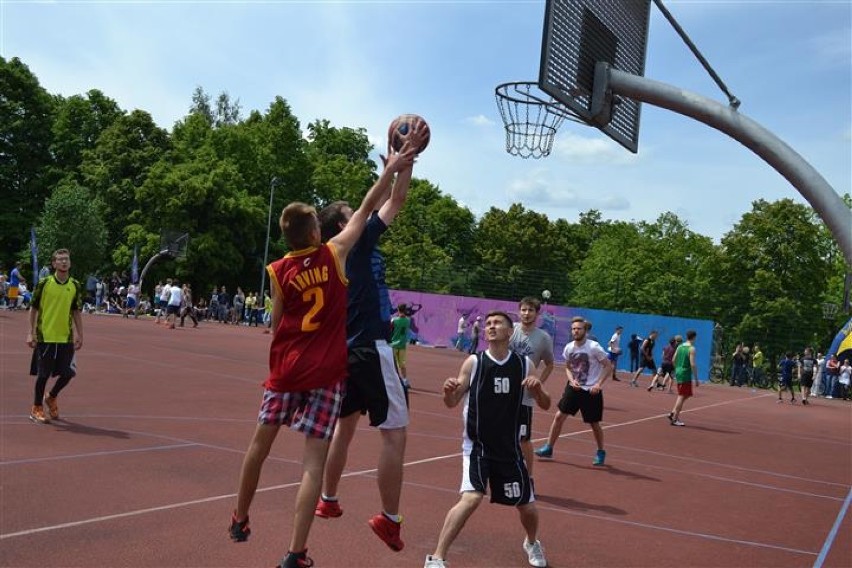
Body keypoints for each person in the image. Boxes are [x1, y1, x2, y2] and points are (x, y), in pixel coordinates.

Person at [229, 142, 418, 568]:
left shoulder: (279, 270)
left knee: (284, 441)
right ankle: (318, 543)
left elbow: (275, 325)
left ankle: (248, 515)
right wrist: (394, 166)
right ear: (324, 230)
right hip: (344, 360)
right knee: (362, 443)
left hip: (290, 369)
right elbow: (384, 201)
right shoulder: (341, 250)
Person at [314, 123, 427, 553]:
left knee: (344, 429)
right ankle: (390, 518)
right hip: (372, 348)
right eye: (350, 214)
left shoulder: (342, 252)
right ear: (343, 225)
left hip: (347, 350)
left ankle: (327, 499)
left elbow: (394, 198)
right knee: (395, 433)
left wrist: (404, 165)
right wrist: (398, 166)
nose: (358, 215)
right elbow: (386, 201)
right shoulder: (354, 245)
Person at [424, 311, 550, 568]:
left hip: (510, 449)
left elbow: (546, 404)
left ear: (508, 331)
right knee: (471, 498)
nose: (491, 327)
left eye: (497, 324)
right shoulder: (474, 362)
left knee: (527, 507)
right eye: (488, 324)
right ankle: (437, 557)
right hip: (477, 446)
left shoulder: (524, 364)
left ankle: (531, 542)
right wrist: (448, 391)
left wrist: (538, 390)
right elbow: (451, 402)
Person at [534, 316, 612, 466]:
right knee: (559, 416)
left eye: (579, 329)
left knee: (594, 424)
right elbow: (568, 367)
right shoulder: (569, 347)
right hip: (574, 388)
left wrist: (598, 384)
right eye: (574, 329)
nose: (576, 331)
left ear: (585, 331)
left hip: (591, 391)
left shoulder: (594, 347)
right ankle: (549, 447)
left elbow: (608, 366)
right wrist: (571, 380)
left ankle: (601, 451)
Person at [26, 249, 85, 424]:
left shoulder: (75, 284)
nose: (64, 262)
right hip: (46, 336)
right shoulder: (44, 283)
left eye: (66, 259)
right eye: (60, 260)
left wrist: (80, 334)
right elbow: (33, 308)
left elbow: (76, 311)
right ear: (54, 264)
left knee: (69, 373)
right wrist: (31, 332)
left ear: (70, 263)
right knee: (43, 375)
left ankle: (51, 396)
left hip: (65, 337)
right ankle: (36, 407)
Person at [509, 296, 554, 478]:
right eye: (524, 310)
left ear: (537, 314)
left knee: (523, 438)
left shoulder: (543, 338)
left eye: (531, 311)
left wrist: (538, 383)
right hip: (501, 389)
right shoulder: (509, 329)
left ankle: (528, 476)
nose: (526, 314)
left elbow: (550, 364)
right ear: (519, 311)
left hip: (524, 395)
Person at [668, 330, 699, 426]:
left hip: (679, 372)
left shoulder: (680, 346)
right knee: (681, 396)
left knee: (687, 394)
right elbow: (692, 364)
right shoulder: (691, 348)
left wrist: (677, 369)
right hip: (685, 373)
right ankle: (675, 418)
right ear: (694, 337)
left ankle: (673, 412)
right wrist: (696, 379)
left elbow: (673, 360)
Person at [390, 304, 411, 387]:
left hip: (394, 344)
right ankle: (405, 380)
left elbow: (390, 330)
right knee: (402, 364)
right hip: (402, 345)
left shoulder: (394, 320)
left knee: (392, 364)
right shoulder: (408, 320)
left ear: (398, 310)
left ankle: (394, 380)